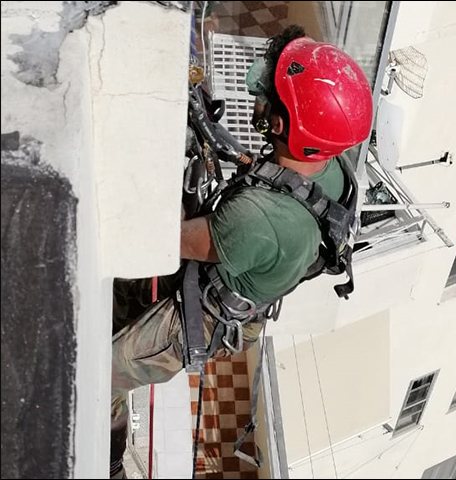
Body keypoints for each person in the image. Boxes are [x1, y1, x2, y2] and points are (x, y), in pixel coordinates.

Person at [109, 25, 373, 478]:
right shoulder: (331, 168)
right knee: (120, 296)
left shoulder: (255, 219)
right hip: (240, 265)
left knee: (101, 373)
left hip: (203, 314)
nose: (259, 93)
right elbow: (272, 191)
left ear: (283, 124)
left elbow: (160, 237)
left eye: (270, 94)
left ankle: (107, 459)